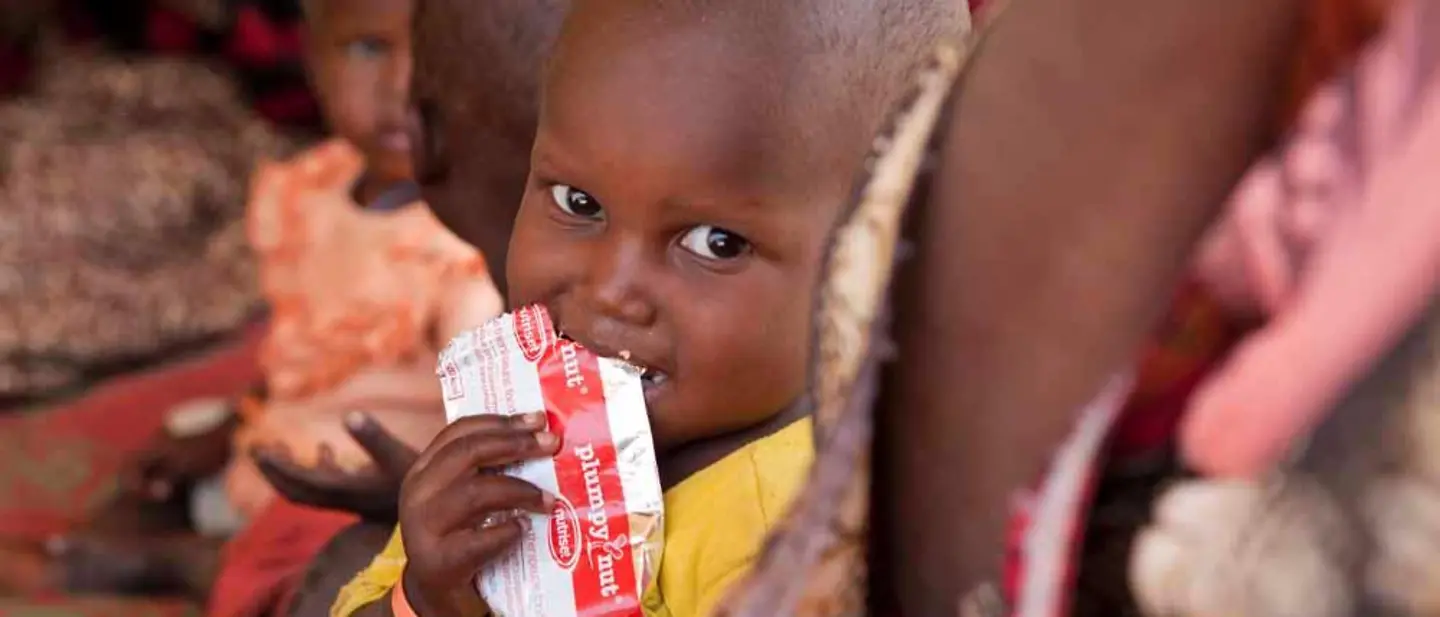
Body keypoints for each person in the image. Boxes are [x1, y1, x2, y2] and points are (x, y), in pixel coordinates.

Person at [328, 1, 966, 616]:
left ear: (872, 265)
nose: (611, 290)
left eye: (715, 244)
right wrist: (424, 598)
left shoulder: (803, 539)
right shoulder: (515, 442)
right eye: (578, 203)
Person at [0, 0, 502, 608]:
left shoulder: (465, 246)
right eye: (369, 49)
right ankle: (133, 542)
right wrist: (230, 426)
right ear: (313, 58)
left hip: (360, 485)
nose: (403, 85)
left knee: (339, 558)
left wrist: (399, 488)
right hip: (273, 445)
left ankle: (182, 563)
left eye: (434, 56)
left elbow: (480, 429)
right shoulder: (313, 189)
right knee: (177, 438)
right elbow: (295, 352)